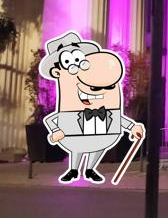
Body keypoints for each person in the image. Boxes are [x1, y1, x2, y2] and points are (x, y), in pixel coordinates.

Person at [40, 31, 145, 184]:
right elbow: (51, 120)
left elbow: (117, 119)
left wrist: (132, 127)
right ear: (57, 72)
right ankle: (74, 169)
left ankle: (90, 168)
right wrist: (56, 131)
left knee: (97, 146)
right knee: (76, 146)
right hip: (75, 129)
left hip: (101, 131)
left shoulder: (97, 84)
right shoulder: (71, 95)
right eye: (70, 64)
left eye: (80, 61)